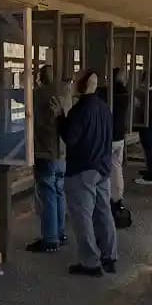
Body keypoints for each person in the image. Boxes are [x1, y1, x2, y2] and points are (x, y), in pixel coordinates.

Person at [55, 69, 118, 276]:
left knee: (82, 217)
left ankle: (90, 262)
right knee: (103, 213)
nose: (72, 84)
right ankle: (109, 256)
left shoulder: (79, 110)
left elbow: (70, 138)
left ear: (82, 85)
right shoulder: (104, 107)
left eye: (75, 80)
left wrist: (60, 117)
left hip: (82, 169)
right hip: (103, 168)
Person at [26, 65, 68, 252]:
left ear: (39, 78)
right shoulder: (63, 93)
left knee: (47, 194)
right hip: (62, 153)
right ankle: (60, 233)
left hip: (44, 151)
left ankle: (50, 239)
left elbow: (19, 97)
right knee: (59, 191)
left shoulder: (37, 94)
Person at [110, 68, 131, 216]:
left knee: (105, 170)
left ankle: (107, 199)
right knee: (117, 168)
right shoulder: (125, 92)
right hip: (120, 135)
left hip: (109, 136)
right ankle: (117, 198)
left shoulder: (109, 92)